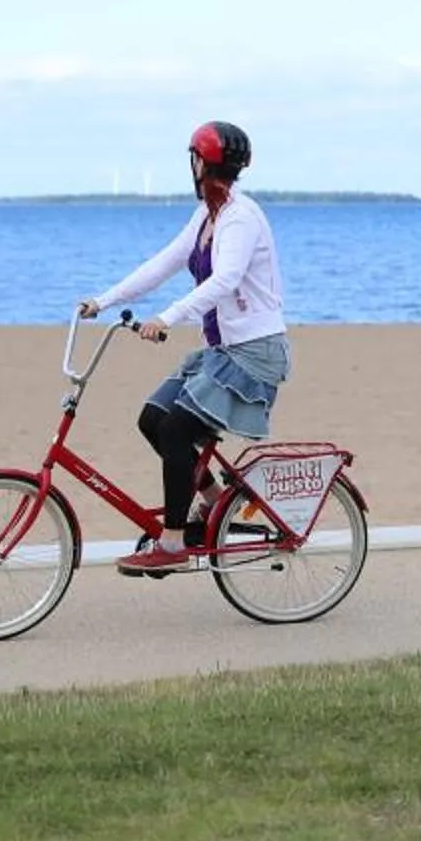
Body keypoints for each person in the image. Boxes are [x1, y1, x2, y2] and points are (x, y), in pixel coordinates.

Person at [78, 120, 290, 575]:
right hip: (223, 352)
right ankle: (215, 502)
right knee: (152, 419)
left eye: (194, 157)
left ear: (202, 163)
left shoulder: (240, 217)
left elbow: (225, 279)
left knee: (175, 431)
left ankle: (172, 544)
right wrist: (103, 300)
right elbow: (163, 264)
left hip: (253, 355)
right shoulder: (207, 216)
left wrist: (167, 318)